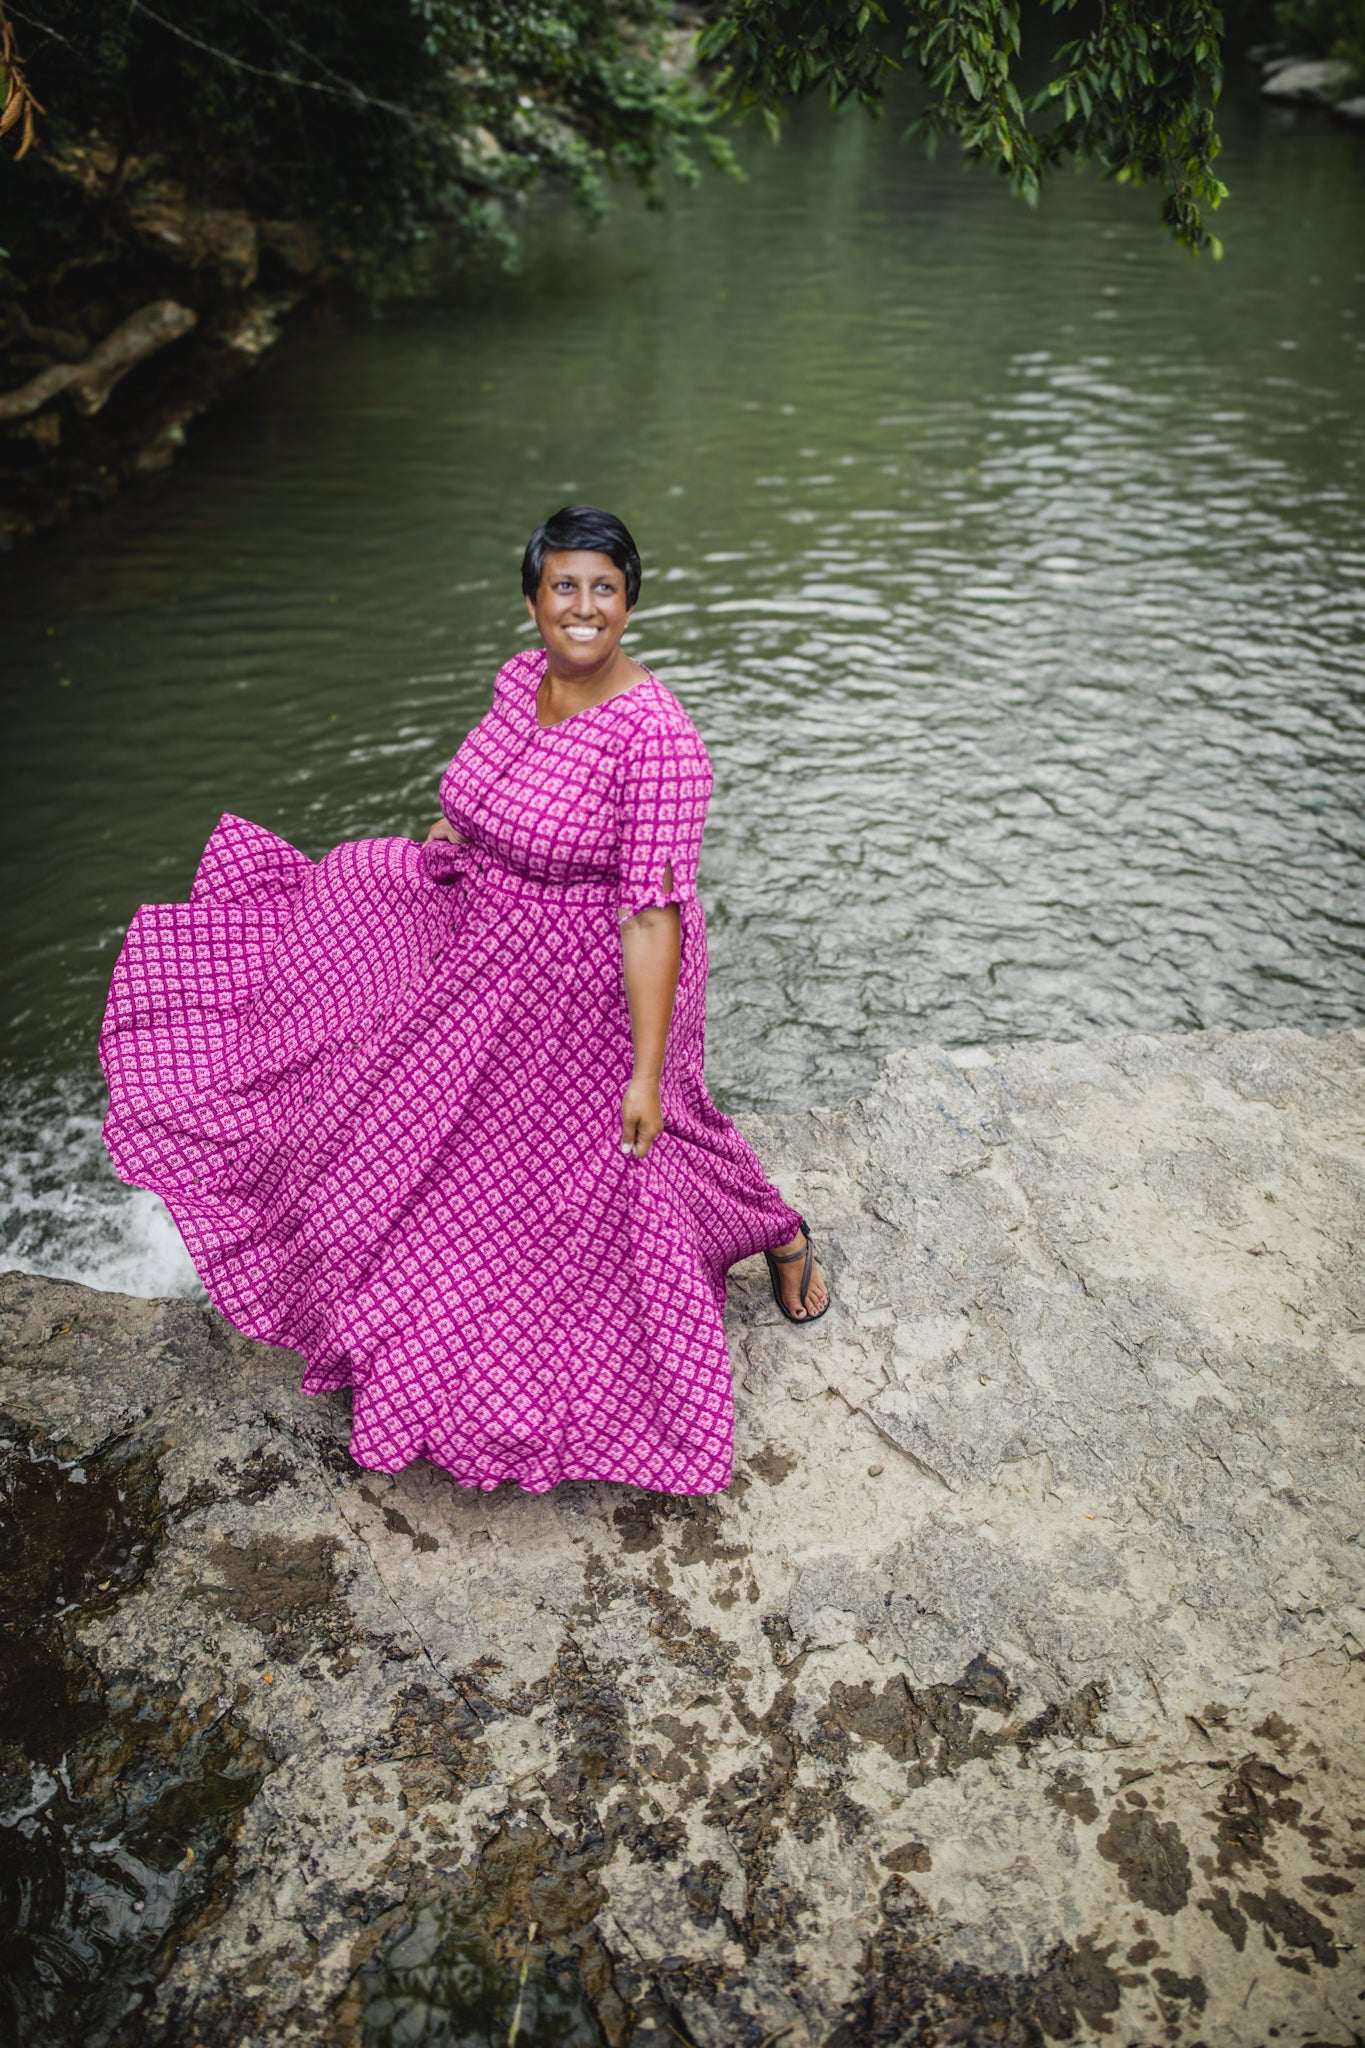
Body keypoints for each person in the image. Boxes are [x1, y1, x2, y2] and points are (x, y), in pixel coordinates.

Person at [100, 505, 828, 1496]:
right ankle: (410, 1317)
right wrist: (450, 834)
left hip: (595, 974)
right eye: (563, 585)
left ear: (629, 602)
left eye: (603, 588)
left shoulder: (657, 740)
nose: (583, 606)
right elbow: (478, 785)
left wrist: (648, 1068)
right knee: (418, 1124)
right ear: (534, 599)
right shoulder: (522, 680)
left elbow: (653, 916)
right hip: (484, 936)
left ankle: (777, 1231)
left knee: (647, 1139)